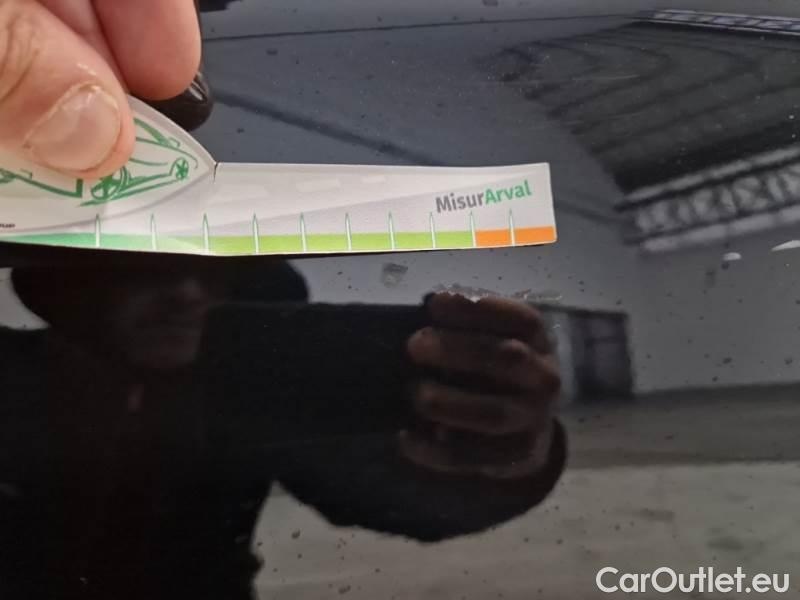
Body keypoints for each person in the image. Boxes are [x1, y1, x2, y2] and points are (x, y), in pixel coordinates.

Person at [0, 255, 566, 599]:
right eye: (143, 271)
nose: (187, 295)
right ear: (83, 286)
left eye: (216, 272)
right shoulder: (11, 373)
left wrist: (503, 452)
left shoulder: (248, 392)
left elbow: (384, 491)